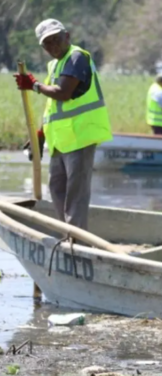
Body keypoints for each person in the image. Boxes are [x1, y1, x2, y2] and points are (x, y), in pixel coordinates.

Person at [14, 19, 112, 230]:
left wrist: (34, 85)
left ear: (67, 36)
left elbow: (64, 93)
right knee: (56, 188)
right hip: (61, 140)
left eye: (56, 40)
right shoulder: (55, 64)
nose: (53, 46)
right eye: (47, 44)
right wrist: (40, 135)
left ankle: (76, 241)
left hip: (81, 136)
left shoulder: (76, 57)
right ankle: (67, 234)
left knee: (75, 195)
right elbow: (52, 106)